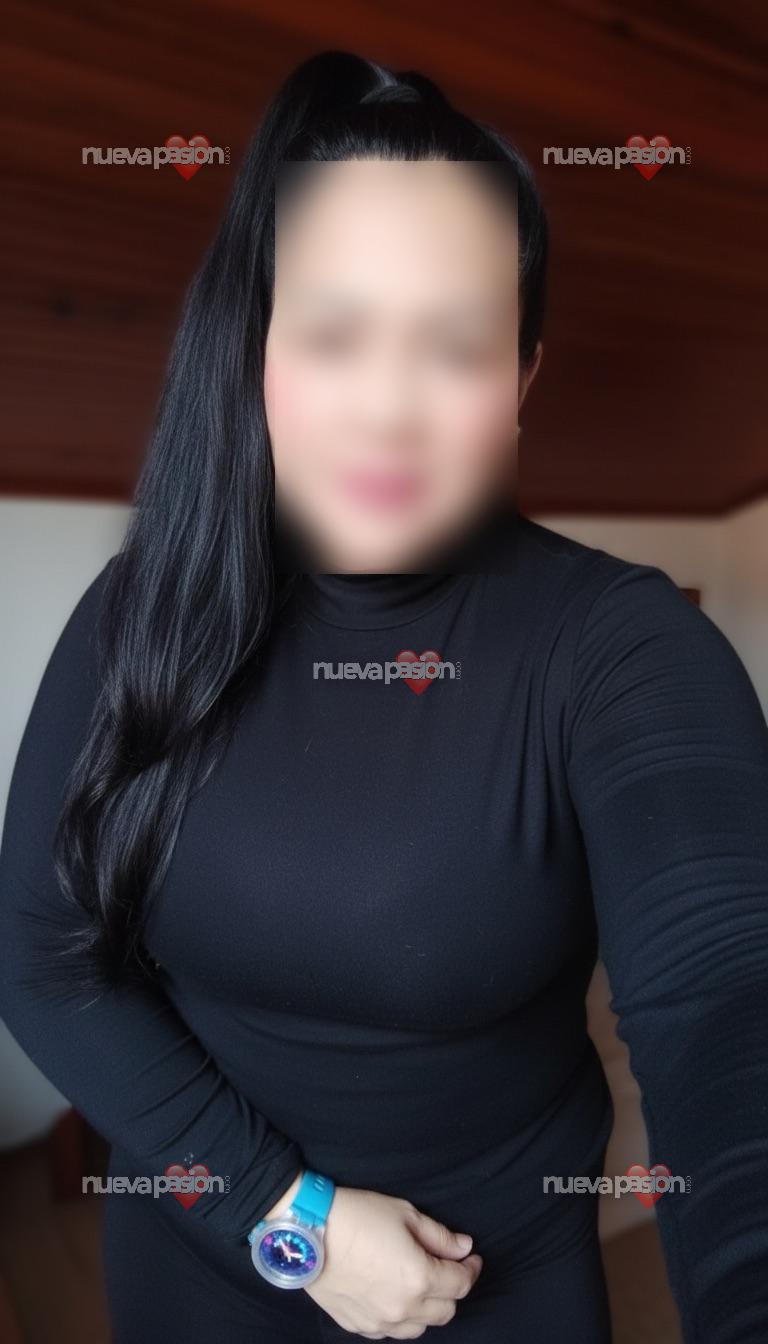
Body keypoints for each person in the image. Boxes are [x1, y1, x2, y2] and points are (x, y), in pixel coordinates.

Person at [1, 48, 767, 1344]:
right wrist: (283, 1213)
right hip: (202, 1262)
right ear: (257, 351)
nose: (388, 408)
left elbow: (728, 1006)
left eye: (456, 347)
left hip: (499, 1285)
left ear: (521, 382)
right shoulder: (143, 613)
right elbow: (40, 955)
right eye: (334, 333)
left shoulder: (622, 646)